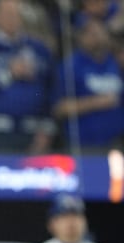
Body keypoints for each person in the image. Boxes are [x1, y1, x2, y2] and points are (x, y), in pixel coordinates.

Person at [0, 0, 55, 153]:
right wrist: (8, 74)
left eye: (15, 14)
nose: (11, 19)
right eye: (7, 14)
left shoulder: (39, 49)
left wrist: (47, 129)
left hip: (33, 130)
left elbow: (50, 90)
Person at [53, 18, 124, 150]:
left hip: (116, 143)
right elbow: (59, 108)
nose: (97, 37)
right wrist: (96, 102)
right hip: (84, 145)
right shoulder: (71, 66)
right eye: (91, 33)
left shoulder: (115, 63)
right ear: (81, 37)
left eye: (100, 32)